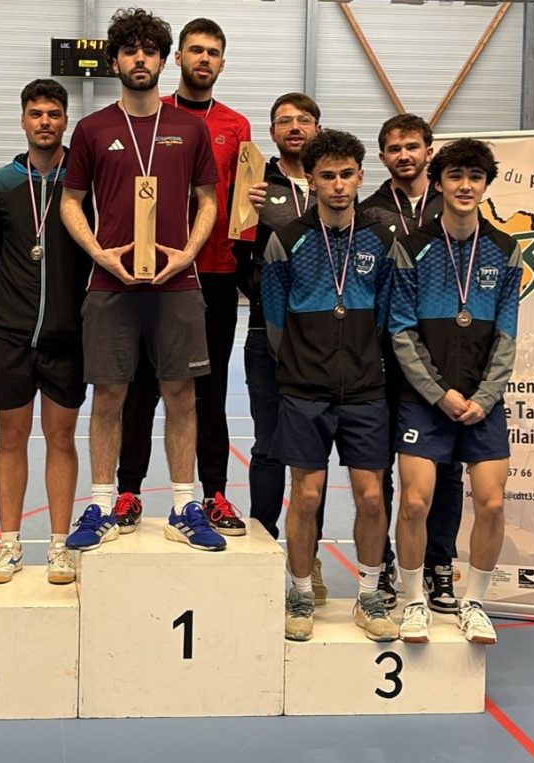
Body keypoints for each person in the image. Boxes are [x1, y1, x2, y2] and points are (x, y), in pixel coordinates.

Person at [61, 7, 225, 551]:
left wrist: (188, 253)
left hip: (178, 283)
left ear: (162, 60)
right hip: (111, 285)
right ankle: (101, 504)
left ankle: (183, 505)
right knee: (109, 394)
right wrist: (99, 254)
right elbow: (70, 202)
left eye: (149, 51)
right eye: (129, 51)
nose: (139, 59)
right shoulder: (92, 129)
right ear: (114, 61)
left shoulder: (190, 128)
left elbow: (208, 200)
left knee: (182, 393)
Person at [112, 17, 251, 538]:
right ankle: (128, 490)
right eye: (195, 50)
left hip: (213, 273)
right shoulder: (154, 115)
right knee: (141, 385)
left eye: (212, 52)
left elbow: (237, 202)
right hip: (152, 273)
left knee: (209, 389)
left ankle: (213, 493)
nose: (203, 59)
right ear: (178, 58)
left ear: (222, 62)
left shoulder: (236, 125)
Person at [261, 130, 399, 642]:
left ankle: (369, 596)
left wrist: (361, 359)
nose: (338, 185)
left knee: (371, 497)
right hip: (304, 389)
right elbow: (274, 320)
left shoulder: (380, 239)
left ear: (361, 177)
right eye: (327, 176)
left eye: (346, 175)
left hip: (365, 390)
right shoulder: (286, 238)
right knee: (306, 495)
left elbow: (385, 315)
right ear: (310, 179)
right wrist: (304, 363)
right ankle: (300, 593)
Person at [390, 138, 522, 645]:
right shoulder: (412, 247)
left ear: (485, 184)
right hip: (425, 402)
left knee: (491, 503)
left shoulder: (505, 250)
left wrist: (485, 398)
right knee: (415, 502)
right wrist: (438, 392)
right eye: (455, 176)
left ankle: (475, 604)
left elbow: (507, 332)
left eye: (475, 177)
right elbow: (401, 330)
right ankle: (412, 601)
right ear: (439, 182)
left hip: (482, 402)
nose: (465, 186)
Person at [0, 79, 90, 585]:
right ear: (23, 120)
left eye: (53, 113)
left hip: (68, 334)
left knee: (61, 437)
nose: (44, 121)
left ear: (65, 120)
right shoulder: (1, 184)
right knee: (11, 437)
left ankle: (59, 545)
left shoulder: (83, 181)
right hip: (9, 332)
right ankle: (8, 543)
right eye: (35, 113)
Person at [359, 113, 465, 613]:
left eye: (412, 146)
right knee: (378, 469)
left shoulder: (453, 205)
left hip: (443, 359)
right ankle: (381, 563)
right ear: (382, 156)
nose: (404, 155)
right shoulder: (368, 212)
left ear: (429, 151)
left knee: (446, 470)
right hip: (384, 359)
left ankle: (440, 566)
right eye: (394, 148)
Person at [238, 92, 331, 603]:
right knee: (269, 447)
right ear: (272, 133)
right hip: (266, 333)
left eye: (303, 120)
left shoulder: (334, 185)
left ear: (318, 128)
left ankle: (307, 557)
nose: (294, 127)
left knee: (313, 455)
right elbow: (236, 258)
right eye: (284, 121)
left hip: (328, 339)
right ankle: (263, 551)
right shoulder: (255, 185)